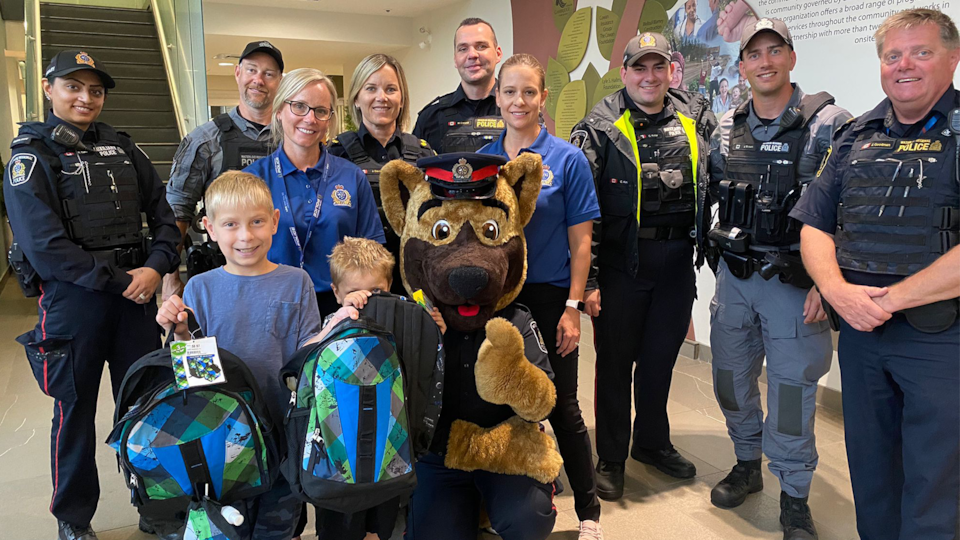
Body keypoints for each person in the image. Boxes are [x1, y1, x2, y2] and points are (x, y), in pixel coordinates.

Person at [791, 9, 960, 540]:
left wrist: (888, 300)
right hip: (863, 337)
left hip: (941, 337)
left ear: (953, 58)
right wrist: (837, 289)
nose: (904, 65)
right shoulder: (856, 134)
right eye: (893, 55)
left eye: (921, 52)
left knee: (936, 481)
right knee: (871, 472)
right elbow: (814, 226)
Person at [3, 50, 180, 540]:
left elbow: (166, 221)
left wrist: (155, 266)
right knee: (74, 413)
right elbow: (46, 249)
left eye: (95, 90)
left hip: (136, 297)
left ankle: (156, 503)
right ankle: (73, 518)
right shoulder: (29, 159)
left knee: (147, 405)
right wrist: (124, 281)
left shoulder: (126, 150)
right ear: (48, 88)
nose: (85, 97)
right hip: (74, 302)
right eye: (73, 86)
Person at [707, 18, 851, 540]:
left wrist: (828, 283)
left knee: (791, 395)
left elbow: (851, 209)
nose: (764, 62)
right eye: (754, 54)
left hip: (797, 285)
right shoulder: (726, 127)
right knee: (730, 380)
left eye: (775, 51)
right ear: (741, 65)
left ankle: (794, 496)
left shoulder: (829, 123)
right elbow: (716, 196)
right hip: (737, 279)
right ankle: (747, 464)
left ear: (791, 57)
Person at [569, 32, 716, 500]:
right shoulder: (599, 125)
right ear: (625, 73)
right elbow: (581, 210)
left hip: (676, 262)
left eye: (658, 67)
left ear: (671, 69)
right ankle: (611, 455)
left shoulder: (696, 115)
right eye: (639, 68)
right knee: (614, 364)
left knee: (658, 363)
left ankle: (652, 443)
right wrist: (588, 281)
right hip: (619, 265)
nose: (650, 77)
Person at [479, 54, 603, 539]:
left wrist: (573, 309)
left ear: (543, 98)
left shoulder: (567, 160)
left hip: (552, 298)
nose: (519, 101)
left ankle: (589, 513)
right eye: (510, 91)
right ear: (497, 96)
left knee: (561, 405)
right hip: (498, 299)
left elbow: (582, 243)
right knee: (502, 403)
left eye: (529, 92)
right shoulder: (487, 164)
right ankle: (510, 503)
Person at [157, 171, 319, 540]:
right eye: (230, 225)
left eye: (257, 222)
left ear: (274, 221)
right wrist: (181, 333)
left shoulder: (298, 282)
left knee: (277, 527)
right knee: (223, 528)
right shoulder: (200, 288)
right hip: (220, 441)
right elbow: (192, 379)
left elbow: (307, 363)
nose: (245, 236)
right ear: (209, 228)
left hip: (281, 441)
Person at [298, 236, 445, 540]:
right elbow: (302, 359)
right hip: (339, 454)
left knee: (381, 527)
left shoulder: (406, 321)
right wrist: (337, 321)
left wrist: (435, 330)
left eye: (376, 290)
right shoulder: (333, 320)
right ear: (336, 292)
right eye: (355, 291)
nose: (366, 298)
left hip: (389, 449)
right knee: (338, 528)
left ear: (389, 285)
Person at [242, 68, 385, 317]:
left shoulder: (351, 177)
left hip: (341, 306)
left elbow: (373, 251)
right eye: (299, 106)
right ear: (278, 111)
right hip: (271, 303)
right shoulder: (254, 179)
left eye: (320, 111)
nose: (310, 119)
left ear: (329, 119)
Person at [163, 41, 284, 298]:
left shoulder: (295, 138)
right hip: (224, 279)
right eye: (252, 70)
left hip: (285, 275)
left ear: (279, 81)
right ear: (238, 73)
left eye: (269, 74)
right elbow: (176, 212)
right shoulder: (205, 140)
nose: (258, 80)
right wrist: (171, 278)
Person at [329, 54, 435, 295]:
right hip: (361, 284)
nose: (382, 97)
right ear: (357, 98)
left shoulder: (423, 153)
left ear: (401, 98)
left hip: (414, 278)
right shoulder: (336, 154)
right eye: (371, 88)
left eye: (391, 89)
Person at [412, 17, 503, 153]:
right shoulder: (430, 117)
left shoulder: (517, 111)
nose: (472, 54)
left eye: (481, 46)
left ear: (498, 53)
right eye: (463, 49)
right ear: (455, 59)